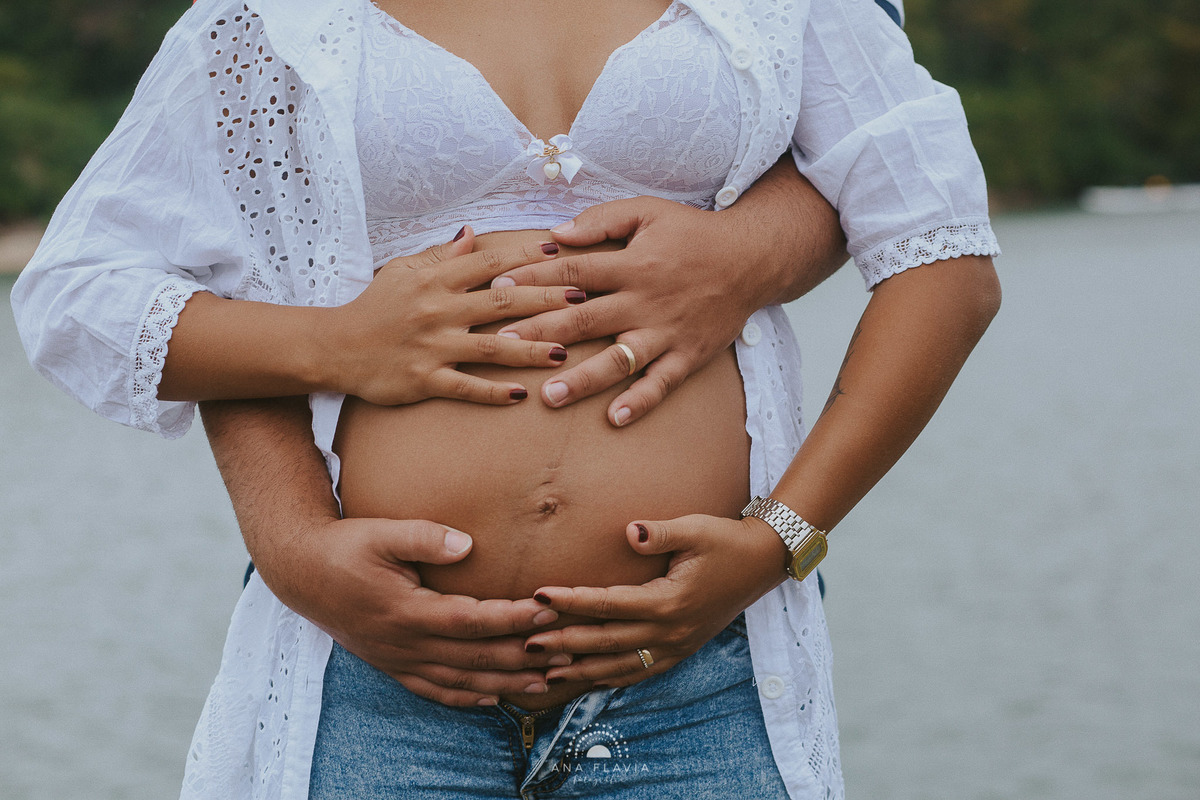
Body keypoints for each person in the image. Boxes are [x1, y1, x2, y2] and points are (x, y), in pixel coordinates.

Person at [10, 0, 1001, 797]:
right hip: (379, 685)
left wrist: (781, 537)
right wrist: (337, 348)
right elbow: (86, 289)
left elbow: (943, 249)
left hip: (702, 680)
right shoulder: (273, 19)